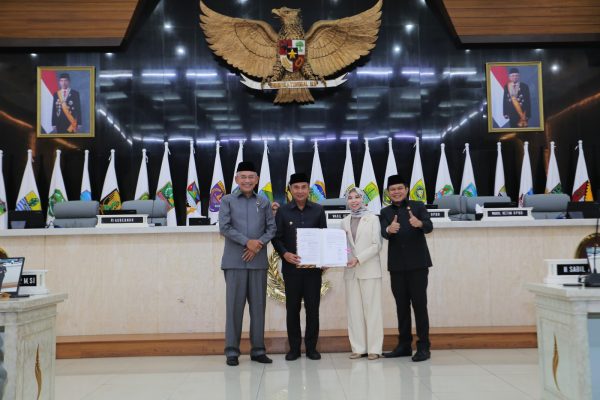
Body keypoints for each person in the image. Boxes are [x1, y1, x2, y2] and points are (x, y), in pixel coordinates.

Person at [219, 161, 277, 366]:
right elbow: (225, 227)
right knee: (234, 309)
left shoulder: (263, 202)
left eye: (251, 177)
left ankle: (258, 350)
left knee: (258, 309)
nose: (247, 180)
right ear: (236, 179)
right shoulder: (227, 200)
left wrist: (257, 244)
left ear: (257, 179)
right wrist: (247, 242)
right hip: (234, 262)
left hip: (258, 262)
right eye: (243, 177)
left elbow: (272, 228)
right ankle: (232, 351)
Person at [272, 172, 327, 361]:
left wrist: (324, 258)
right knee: (292, 309)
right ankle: (294, 348)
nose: (300, 191)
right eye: (296, 187)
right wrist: (285, 254)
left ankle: (311, 348)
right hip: (291, 270)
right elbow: (276, 238)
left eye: (304, 187)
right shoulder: (283, 211)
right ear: (290, 189)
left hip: (313, 270)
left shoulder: (318, 210)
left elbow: (324, 236)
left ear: (308, 189)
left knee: (313, 309)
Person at [379, 175, 433, 362]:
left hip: (418, 265)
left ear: (407, 189)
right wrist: (388, 229)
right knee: (401, 307)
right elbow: (383, 232)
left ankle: (424, 346)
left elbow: (429, 226)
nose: (396, 192)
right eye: (392, 189)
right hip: (397, 267)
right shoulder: (385, 211)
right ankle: (404, 345)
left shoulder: (418, 206)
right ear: (388, 193)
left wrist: (420, 223)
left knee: (419, 306)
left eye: (399, 188)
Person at [340, 187, 383, 360]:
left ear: (363, 199)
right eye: (350, 198)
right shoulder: (344, 221)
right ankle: (358, 348)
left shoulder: (372, 218)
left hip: (369, 270)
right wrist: (342, 256)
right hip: (350, 271)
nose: (354, 201)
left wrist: (358, 258)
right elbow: (343, 246)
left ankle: (374, 349)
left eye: (357, 197)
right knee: (354, 311)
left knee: (372, 310)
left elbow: (376, 245)